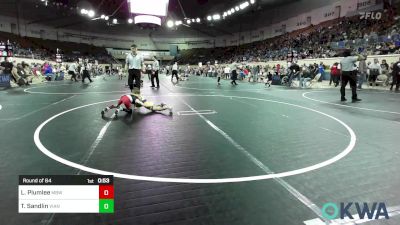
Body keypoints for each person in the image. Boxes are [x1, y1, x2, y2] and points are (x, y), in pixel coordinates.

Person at [101, 88, 173, 117]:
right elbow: (138, 102)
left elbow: (137, 102)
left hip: (123, 98)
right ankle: (166, 106)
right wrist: (141, 105)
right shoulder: (137, 96)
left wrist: (139, 105)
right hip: (146, 102)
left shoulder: (132, 94)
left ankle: (107, 108)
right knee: (155, 108)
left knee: (157, 109)